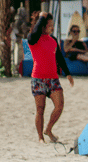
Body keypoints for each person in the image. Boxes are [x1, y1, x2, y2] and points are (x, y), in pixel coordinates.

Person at [28, 11, 74, 143]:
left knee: (59, 105)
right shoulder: (33, 38)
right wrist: (42, 17)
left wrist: (68, 74)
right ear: (42, 25)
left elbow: (59, 57)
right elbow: (32, 36)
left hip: (53, 79)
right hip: (38, 79)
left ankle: (48, 129)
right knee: (40, 109)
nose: (52, 28)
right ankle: (41, 138)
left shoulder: (53, 40)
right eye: (49, 25)